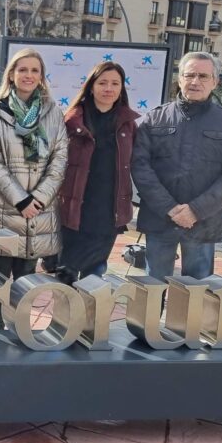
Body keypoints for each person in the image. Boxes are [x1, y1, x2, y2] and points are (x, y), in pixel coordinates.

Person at [0, 48, 68, 330]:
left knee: (27, 275)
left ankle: (20, 329)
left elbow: (60, 157)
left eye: (34, 70)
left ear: (41, 77)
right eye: (22, 70)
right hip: (3, 208)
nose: (28, 75)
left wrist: (37, 199)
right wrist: (21, 200)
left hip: (39, 211)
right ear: (11, 75)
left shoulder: (53, 112)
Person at [132, 51, 222, 282]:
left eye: (203, 76)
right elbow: (140, 167)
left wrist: (195, 211)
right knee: (152, 288)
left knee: (196, 294)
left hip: (203, 222)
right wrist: (170, 208)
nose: (195, 81)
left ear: (215, 81)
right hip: (160, 220)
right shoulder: (155, 119)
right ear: (179, 79)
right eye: (189, 75)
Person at [56, 61, 139, 284]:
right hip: (74, 210)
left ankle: (88, 318)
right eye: (102, 82)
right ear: (91, 86)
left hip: (108, 213)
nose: (108, 88)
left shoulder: (128, 124)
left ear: (122, 88)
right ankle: (62, 319)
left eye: (115, 83)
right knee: (66, 274)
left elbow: (138, 164)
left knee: (95, 273)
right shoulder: (72, 121)